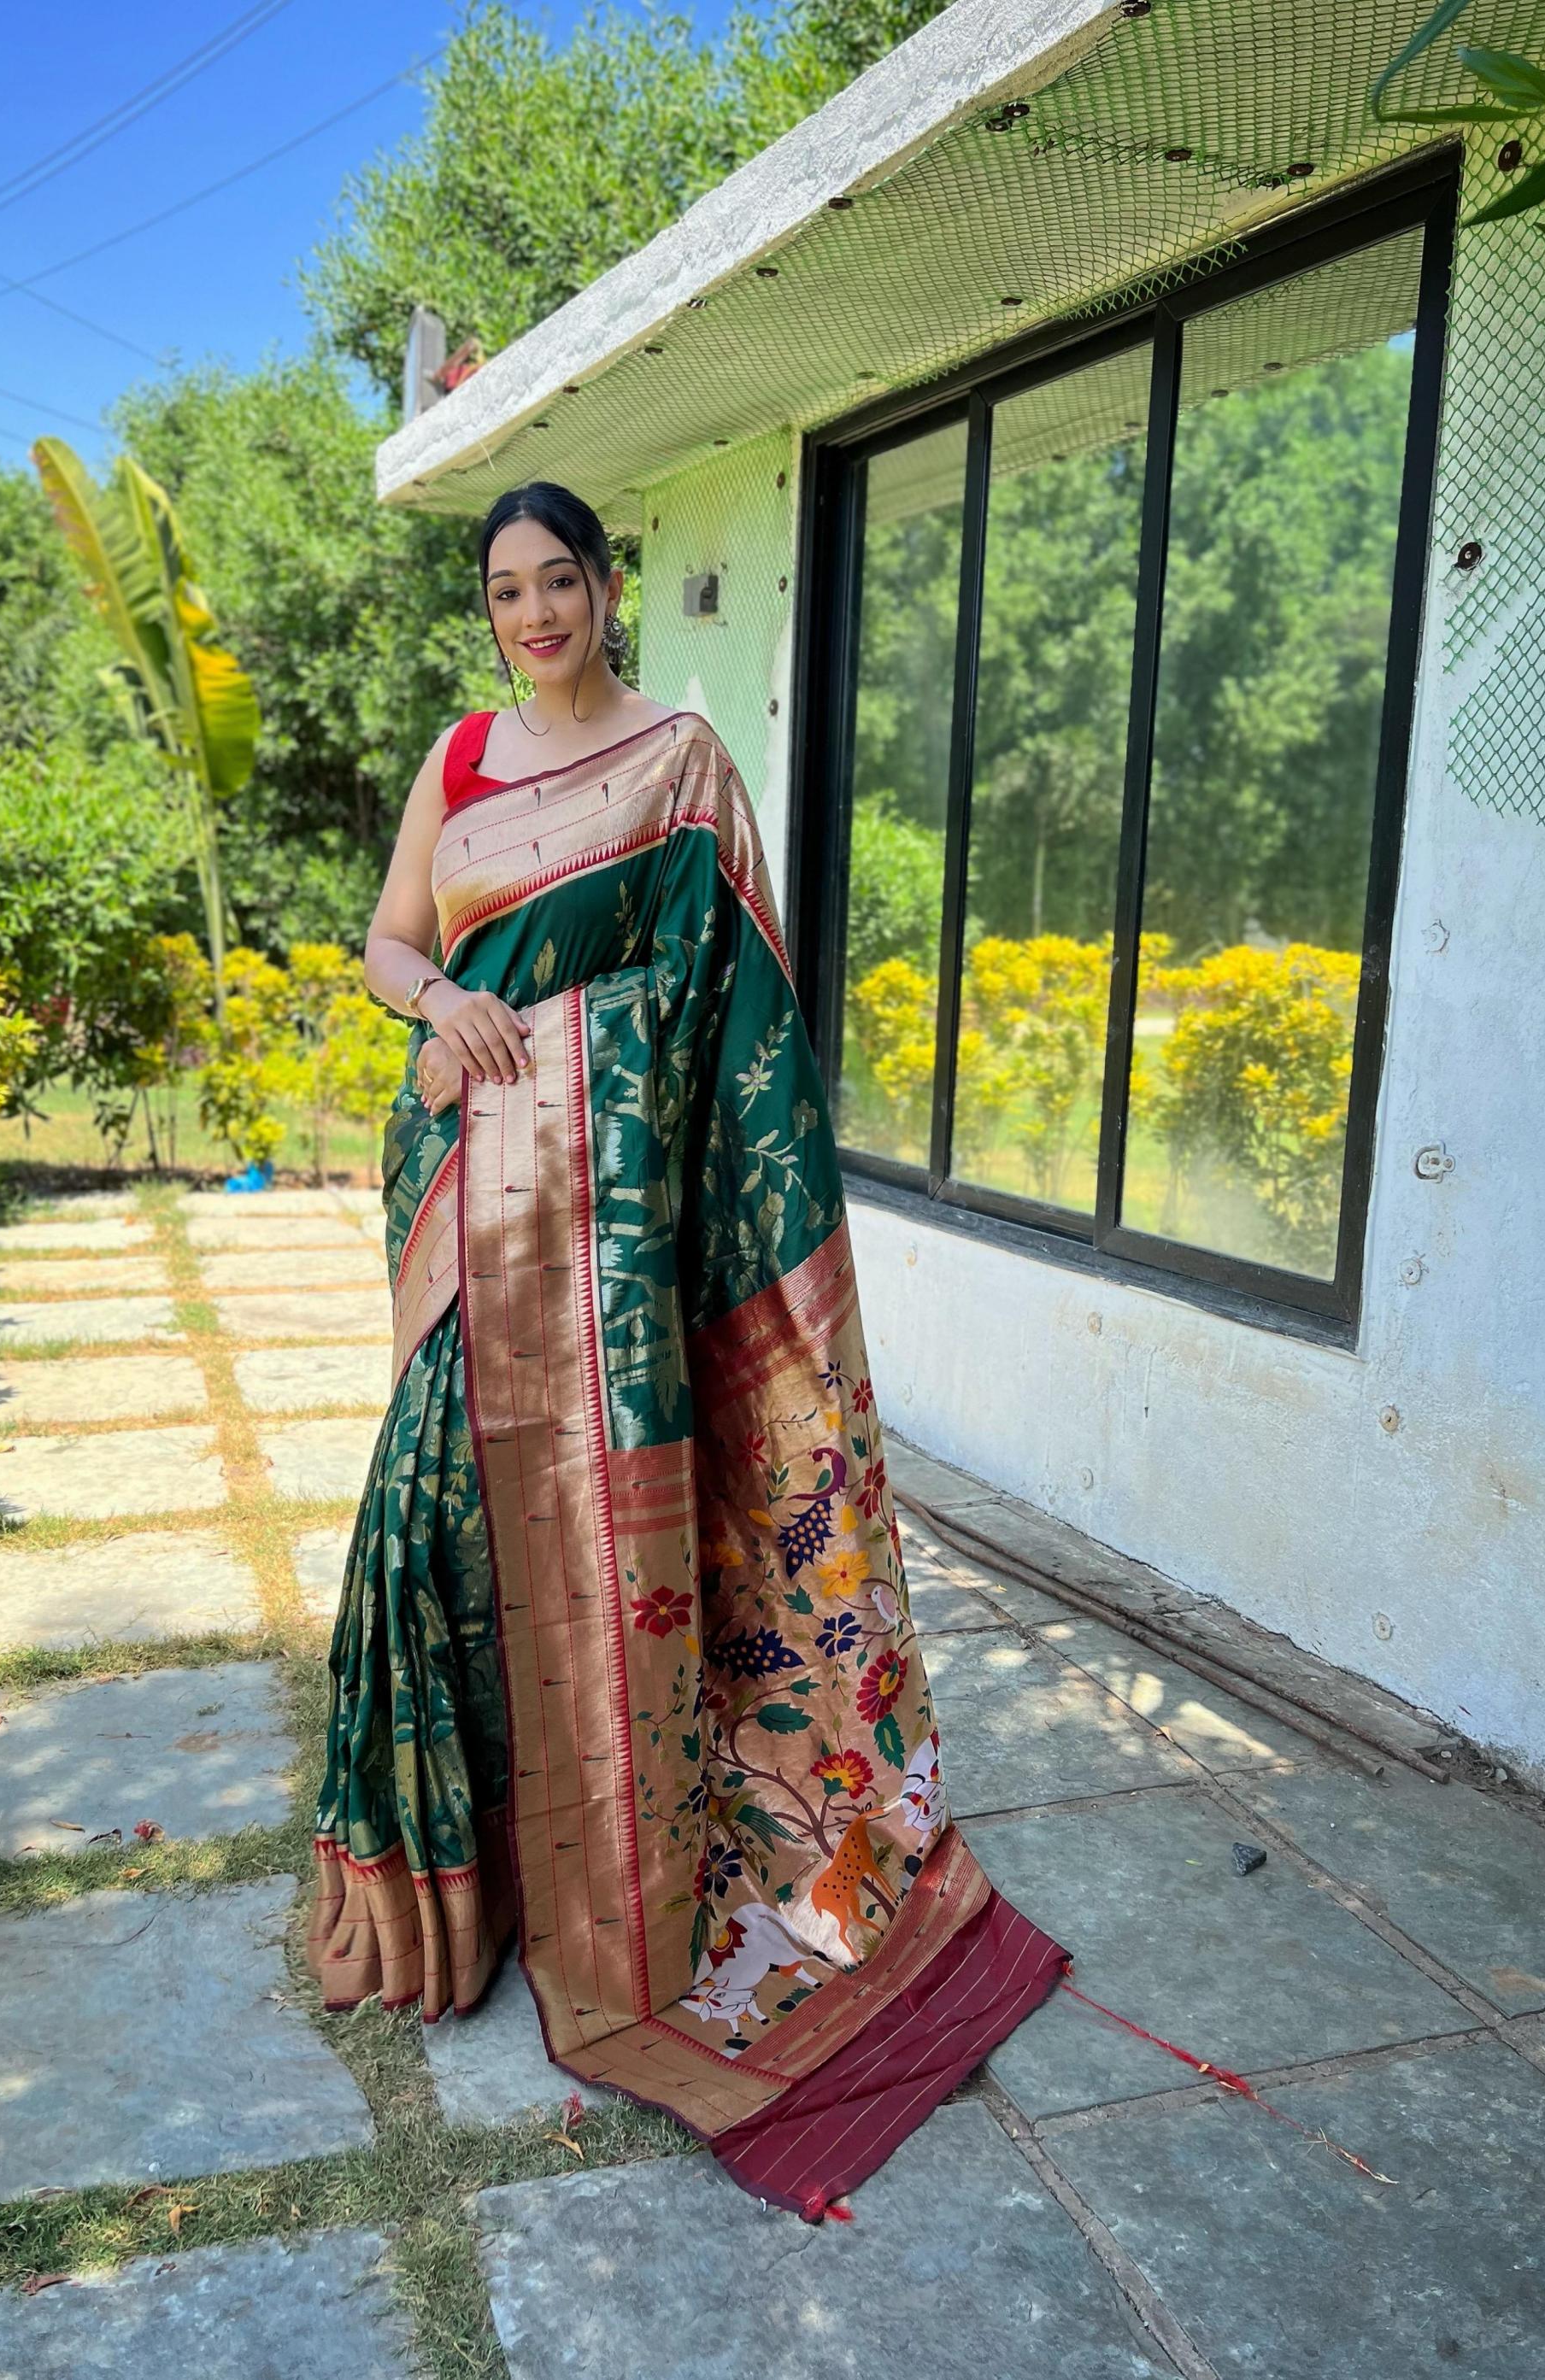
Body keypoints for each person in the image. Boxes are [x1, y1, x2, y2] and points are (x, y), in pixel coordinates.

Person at [308, 479, 1064, 2216]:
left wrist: (581, 1043)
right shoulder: (459, 760)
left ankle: (609, 1873)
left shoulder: (680, 765)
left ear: (604, 584)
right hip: (469, 1196)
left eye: (556, 581)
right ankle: (464, 1886)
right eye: (505, 589)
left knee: (602, 1537)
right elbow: (391, 940)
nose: (532, 613)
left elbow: (739, 1016)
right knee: (431, 1512)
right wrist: (441, 1001)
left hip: (617, 1222)